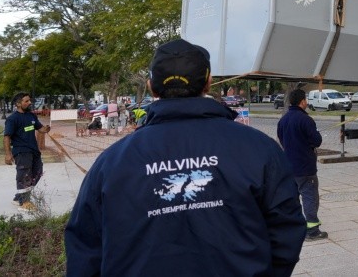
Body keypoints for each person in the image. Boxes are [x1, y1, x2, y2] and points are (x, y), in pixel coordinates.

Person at [65, 39, 306, 276]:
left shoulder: (111, 163)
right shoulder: (259, 149)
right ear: (208, 82)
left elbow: (84, 250)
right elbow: (287, 230)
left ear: (151, 86)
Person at [277, 89, 328, 241]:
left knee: (292, 198)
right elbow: (316, 141)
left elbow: (281, 139)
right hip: (305, 167)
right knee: (310, 197)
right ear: (302, 101)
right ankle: (312, 231)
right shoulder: (306, 120)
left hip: (288, 166)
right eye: (306, 99)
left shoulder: (283, 120)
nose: (307, 102)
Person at [3, 92, 51, 212]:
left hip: (34, 150)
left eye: (29, 100)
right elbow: (7, 137)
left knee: (38, 172)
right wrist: (8, 154)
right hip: (21, 151)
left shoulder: (31, 116)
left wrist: (46, 129)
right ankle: (24, 202)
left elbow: (40, 129)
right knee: (24, 175)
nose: (30, 102)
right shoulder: (12, 119)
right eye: (26, 101)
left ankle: (18, 196)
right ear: (18, 104)